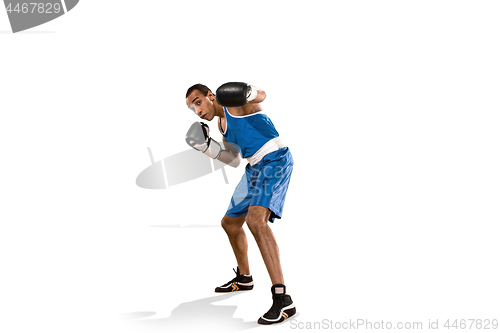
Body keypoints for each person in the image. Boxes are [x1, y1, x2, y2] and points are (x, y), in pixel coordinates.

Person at [184, 82, 295, 325]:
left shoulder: (232, 103)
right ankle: (244, 277)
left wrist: (250, 91)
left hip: (275, 160)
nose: (198, 110)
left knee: (256, 222)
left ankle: (283, 299)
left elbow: (262, 96)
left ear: (211, 96)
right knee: (230, 223)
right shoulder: (221, 124)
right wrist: (206, 148)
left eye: (198, 102)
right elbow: (234, 159)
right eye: (192, 109)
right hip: (253, 168)